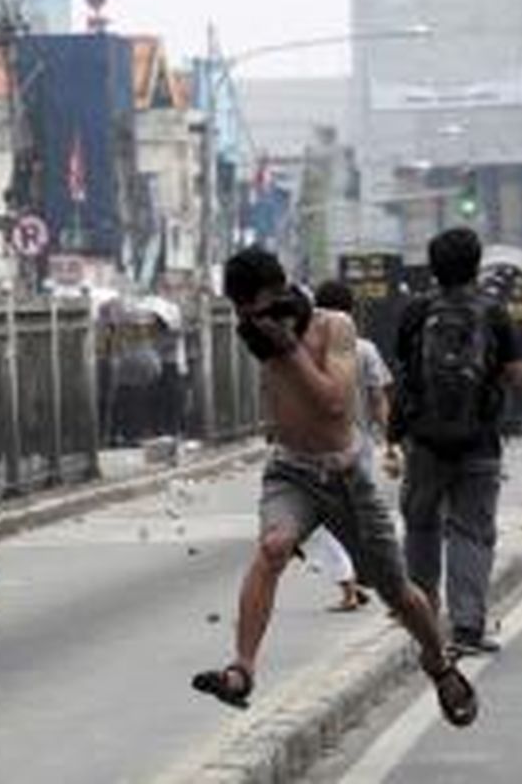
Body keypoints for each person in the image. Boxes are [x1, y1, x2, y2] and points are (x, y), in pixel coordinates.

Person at [192, 246, 477, 727]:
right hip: (290, 472)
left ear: (281, 295)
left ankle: (439, 663)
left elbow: (333, 405)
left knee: (398, 591)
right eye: (244, 313)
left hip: (345, 476)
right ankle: (242, 668)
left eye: (258, 309)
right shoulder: (259, 334)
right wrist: (271, 340)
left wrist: (290, 348)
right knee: (273, 546)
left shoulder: (333, 327)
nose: (251, 322)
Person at [388, 227, 522, 656]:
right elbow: (516, 372)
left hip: (425, 442)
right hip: (479, 441)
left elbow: (403, 370)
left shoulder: (415, 311)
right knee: (472, 531)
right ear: (476, 263)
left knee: (421, 525)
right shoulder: (494, 313)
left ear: (433, 266)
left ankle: (423, 618)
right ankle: (467, 627)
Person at [295, 280, 394, 613]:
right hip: (358, 447)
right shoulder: (365, 349)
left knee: (321, 518)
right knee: (360, 516)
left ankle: (351, 583)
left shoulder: (306, 349)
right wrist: (391, 442)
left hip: (316, 447)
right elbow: (379, 399)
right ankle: (372, 579)